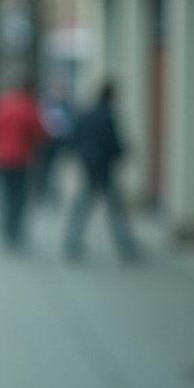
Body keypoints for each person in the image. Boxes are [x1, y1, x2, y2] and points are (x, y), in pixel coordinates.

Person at [64, 80, 138, 261]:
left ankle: (72, 242)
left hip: (89, 165)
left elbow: (75, 137)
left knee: (82, 205)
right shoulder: (108, 114)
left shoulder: (86, 112)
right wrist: (122, 153)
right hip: (103, 166)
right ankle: (126, 246)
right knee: (115, 208)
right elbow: (111, 141)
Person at [0, 72, 45, 248]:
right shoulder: (29, 106)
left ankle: (5, 227)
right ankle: (14, 228)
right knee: (19, 195)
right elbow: (40, 133)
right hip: (21, 158)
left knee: (4, 193)